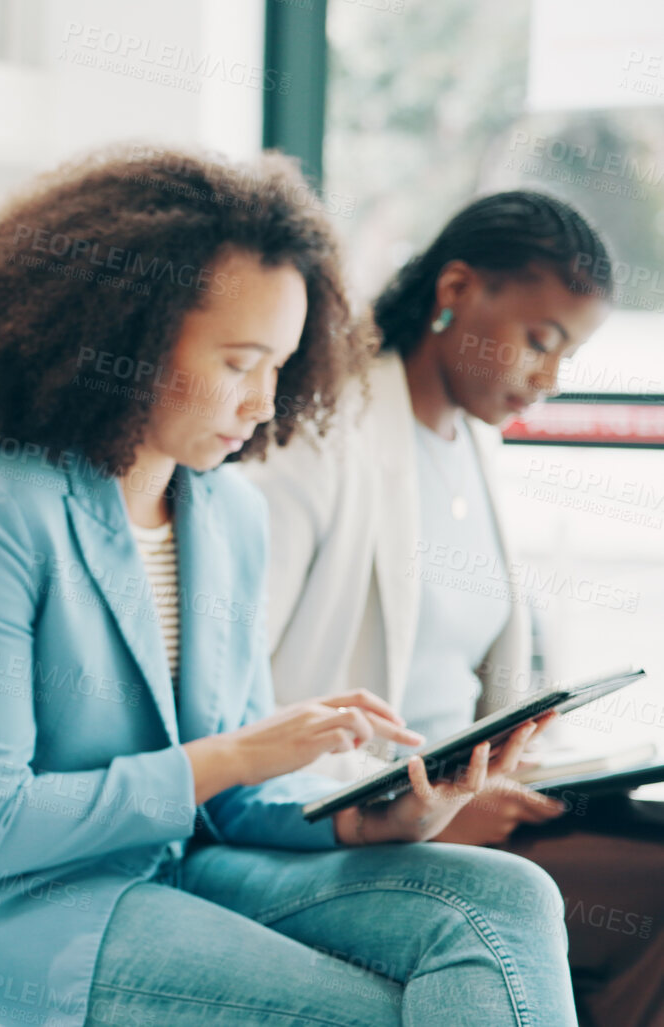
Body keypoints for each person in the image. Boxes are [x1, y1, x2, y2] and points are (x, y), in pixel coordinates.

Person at [0, 146, 573, 1026]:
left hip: (186, 865)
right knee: (370, 1011)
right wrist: (233, 756)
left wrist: (376, 818)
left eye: (279, 366)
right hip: (32, 907)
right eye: (237, 363)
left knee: (512, 896)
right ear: (127, 338)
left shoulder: (227, 512)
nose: (261, 403)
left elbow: (237, 801)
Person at [244, 190, 664, 1026]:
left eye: (567, 354)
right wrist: (419, 806)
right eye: (538, 340)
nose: (547, 378)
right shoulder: (320, 436)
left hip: (473, 800)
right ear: (455, 290)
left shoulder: (470, 443)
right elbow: (236, 709)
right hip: (353, 819)